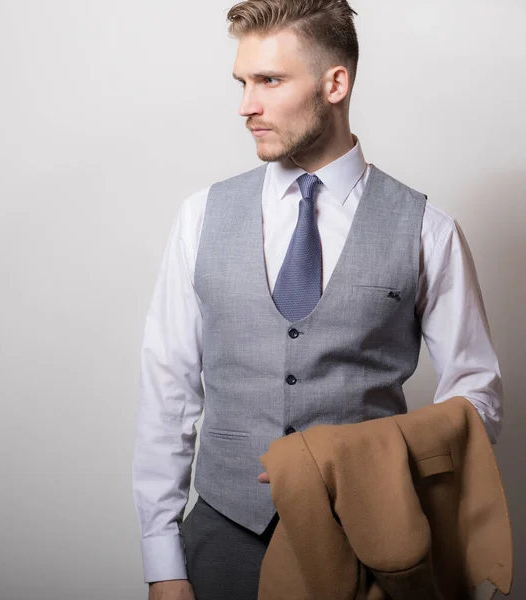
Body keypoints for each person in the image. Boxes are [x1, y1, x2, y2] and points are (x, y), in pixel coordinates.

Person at [132, 1, 504, 599]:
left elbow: (477, 398)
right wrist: (162, 562)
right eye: (242, 82)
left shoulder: (426, 228)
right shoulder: (200, 217)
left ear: (335, 83)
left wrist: (379, 464)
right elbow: (167, 392)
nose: (246, 105)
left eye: (270, 81)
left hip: (371, 544)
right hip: (223, 539)